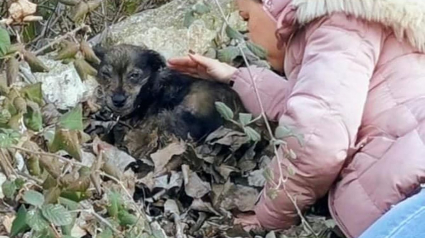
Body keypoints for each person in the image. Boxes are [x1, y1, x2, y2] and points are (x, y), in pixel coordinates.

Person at [167, 0, 425, 237]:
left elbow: (316, 140)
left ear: (271, 6)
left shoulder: (340, 23)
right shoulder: (360, 21)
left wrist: (267, 217)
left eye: (246, 19)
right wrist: (235, 77)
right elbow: (313, 107)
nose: (246, 35)